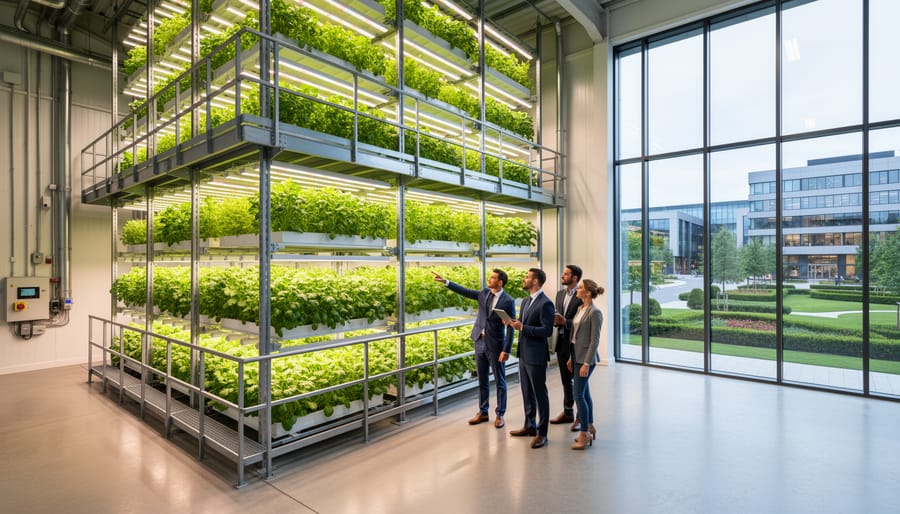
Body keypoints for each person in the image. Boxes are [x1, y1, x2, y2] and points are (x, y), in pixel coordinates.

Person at [433, 269, 516, 428]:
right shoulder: (484, 293)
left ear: (500, 282)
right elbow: (466, 292)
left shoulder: (508, 301)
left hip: (496, 345)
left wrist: (507, 349)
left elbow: (511, 326)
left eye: (492, 278)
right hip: (479, 342)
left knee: (500, 381)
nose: (489, 279)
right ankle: (483, 412)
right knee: (482, 379)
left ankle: (500, 414)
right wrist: (446, 282)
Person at [504, 268, 555, 449]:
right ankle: (529, 426)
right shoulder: (525, 301)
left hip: (536, 355)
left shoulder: (546, 303)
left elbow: (546, 331)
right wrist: (511, 322)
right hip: (523, 354)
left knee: (540, 394)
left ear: (535, 281)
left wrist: (523, 327)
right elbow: (521, 323)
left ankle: (542, 433)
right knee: (526, 392)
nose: (524, 279)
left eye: (527, 277)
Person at [568, 279, 604, 450]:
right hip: (576, 355)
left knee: (578, 395)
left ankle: (584, 433)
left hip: (586, 359)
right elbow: (575, 335)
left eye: (580, 288)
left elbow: (594, 341)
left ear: (588, 293)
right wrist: (571, 357)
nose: (577, 290)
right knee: (584, 393)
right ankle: (590, 425)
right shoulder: (579, 308)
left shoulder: (595, 312)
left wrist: (586, 363)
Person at [551, 264, 583, 429]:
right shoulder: (560, 294)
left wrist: (566, 322)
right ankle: (568, 412)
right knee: (565, 380)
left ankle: (580, 417)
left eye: (566, 274)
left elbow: (582, 321)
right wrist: (556, 320)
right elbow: (559, 314)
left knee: (578, 381)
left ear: (574, 278)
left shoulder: (582, 294)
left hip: (576, 343)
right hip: (562, 341)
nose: (562, 276)